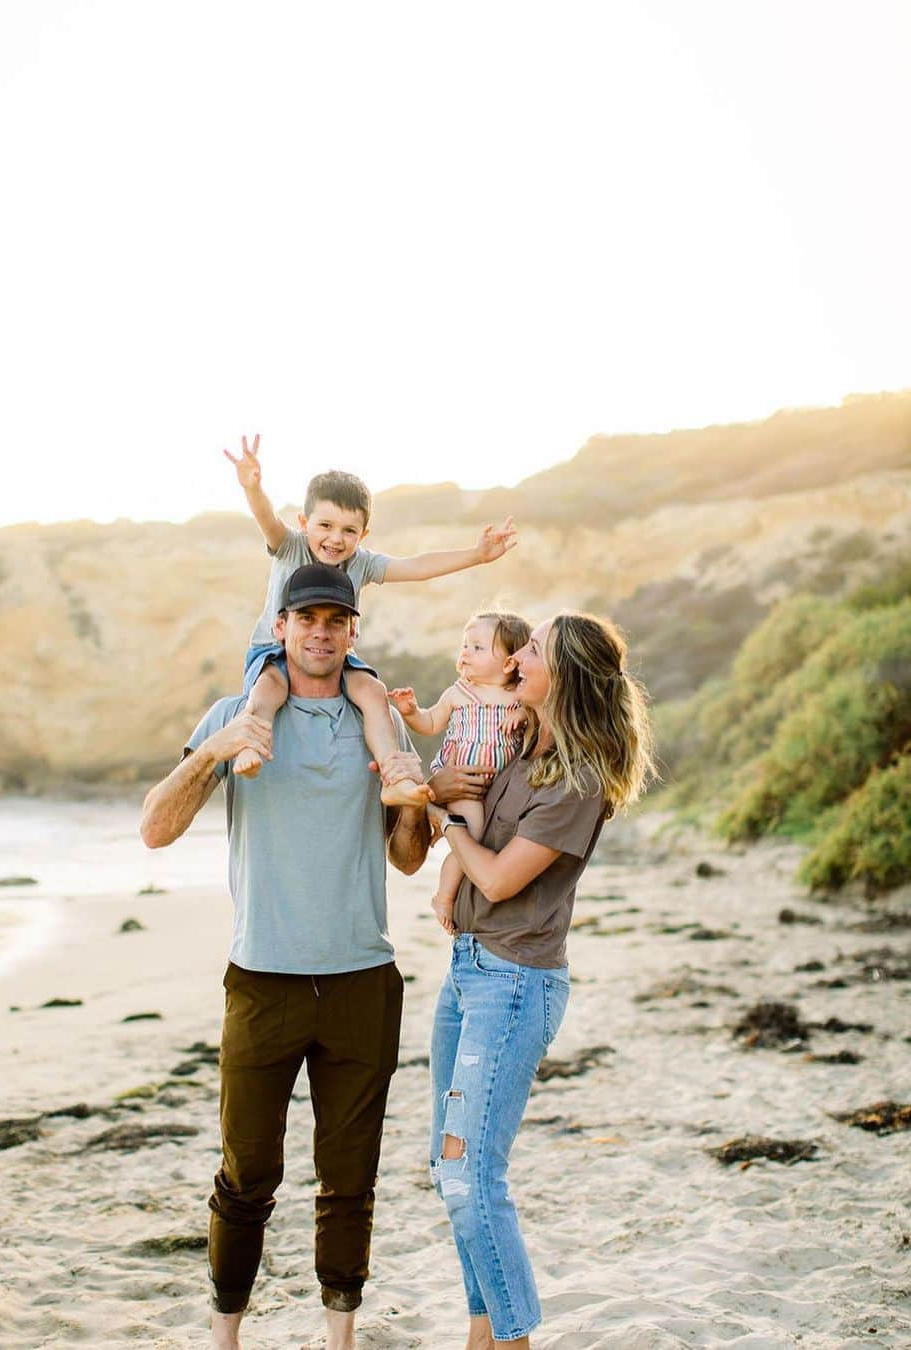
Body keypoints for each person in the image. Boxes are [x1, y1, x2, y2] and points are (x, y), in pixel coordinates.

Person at [139, 563, 432, 1350]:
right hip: (262, 981)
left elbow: (407, 857)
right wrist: (214, 751)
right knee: (245, 1179)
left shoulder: (377, 721)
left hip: (362, 981)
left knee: (349, 1182)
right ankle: (225, 1338)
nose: (320, 633)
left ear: (352, 634)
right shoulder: (239, 713)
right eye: (307, 620)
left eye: (336, 621)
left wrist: (413, 813)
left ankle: (339, 1340)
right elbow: (155, 829)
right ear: (281, 628)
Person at [422, 611, 656, 1348]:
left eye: (532, 651)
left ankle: (515, 1342)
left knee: (472, 1179)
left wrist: (444, 814)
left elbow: (493, 879)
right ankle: (480, 1338)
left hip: (514, 984)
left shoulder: (579, 781)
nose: (517, 657)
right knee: (450, 1173)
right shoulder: (522, 746)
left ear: (564, 676)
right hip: (466, 974)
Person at [223, 434, 518, 804]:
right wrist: (254, 487)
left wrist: (476, 555)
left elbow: (417, 567)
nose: (335, 538)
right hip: (273, 650)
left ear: (363, 534)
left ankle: (393, 774)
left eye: (349, 530)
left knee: (373, 693)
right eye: (325, 526)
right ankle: (251, 742)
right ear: (304, 522)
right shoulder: (291, 545)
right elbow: (267, 519)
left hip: (333, 654)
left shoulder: (361, 562)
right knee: (270, 687)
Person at [387, 610, 532, 933]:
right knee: (472, 838)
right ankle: (444, 895)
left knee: (483, 840)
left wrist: (522, 712)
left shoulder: (519, 696)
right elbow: (430, 723)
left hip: (494, 788)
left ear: (509, 663)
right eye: (465, 645)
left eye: (478, 648)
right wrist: (411, 712)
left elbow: (540, 708)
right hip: (463, 785)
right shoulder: (459, 693)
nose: (465, 652)